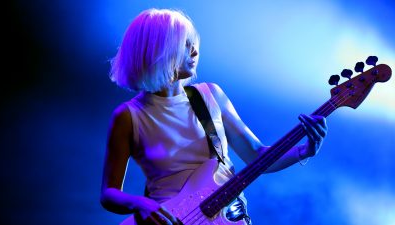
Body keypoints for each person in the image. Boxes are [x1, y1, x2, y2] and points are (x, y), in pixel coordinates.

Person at [100, 8, 327, 225]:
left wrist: (303, 150)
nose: (195, 51)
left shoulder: (210, 96)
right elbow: (109, 193)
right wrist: (141, 204)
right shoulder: (129, 116)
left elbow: (257, 155)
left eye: (193, 43)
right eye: (184, 45)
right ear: (158, 51)